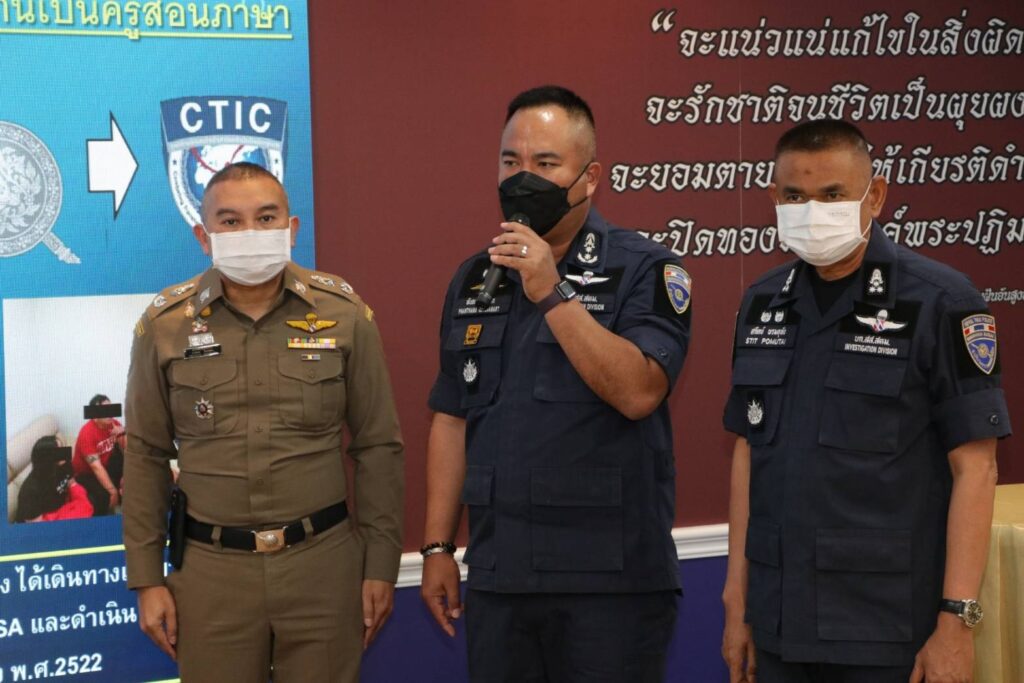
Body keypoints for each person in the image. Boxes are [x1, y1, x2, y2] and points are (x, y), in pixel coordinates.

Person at [720, 119, 1011, 683]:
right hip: (779, 618)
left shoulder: (941, 300)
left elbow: (976, 467)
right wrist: (738, 599)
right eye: (795, 196)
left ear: (874, 196)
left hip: (886, 624)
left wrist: (956, 622)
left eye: (832, 195)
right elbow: (748, 451)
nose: (812, 211)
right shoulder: (762, 303)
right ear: (774, 198)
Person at [420, 85, 691, 682]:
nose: (524, 179)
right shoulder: (476, 277)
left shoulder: (646, 269)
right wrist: (438, 546)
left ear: (589, 178)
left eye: (545, 164)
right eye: (510, 162)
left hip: (609, 583)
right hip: (501, 576)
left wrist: (552, 291)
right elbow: (453, 416)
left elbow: (639, 392)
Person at [122, 162, 404, 683]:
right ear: (203, 236)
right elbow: (145, 455)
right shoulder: (164, 326)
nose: (249, 232)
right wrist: (146, 580)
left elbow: (378, 446)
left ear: (291, 229)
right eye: (230, 221)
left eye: (266, 217)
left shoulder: (344, 313)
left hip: (323, 568)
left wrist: (381, 565)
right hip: (211, 576)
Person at [16, 436, 94, 522]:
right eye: (58, 451)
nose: (64, 452)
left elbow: (72, 482)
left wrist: (81, 502)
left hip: (62, 506)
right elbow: (37, 524)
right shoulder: (30, 491)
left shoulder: (64, 464)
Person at [73, 394, 125, 515]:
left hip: (106, 464)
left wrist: (123, 432)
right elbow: (96, 467)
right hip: (86, 473)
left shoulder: (113, 423)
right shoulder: (86, 434)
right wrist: (112, 490)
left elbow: (127, 448)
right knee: (104, 496)